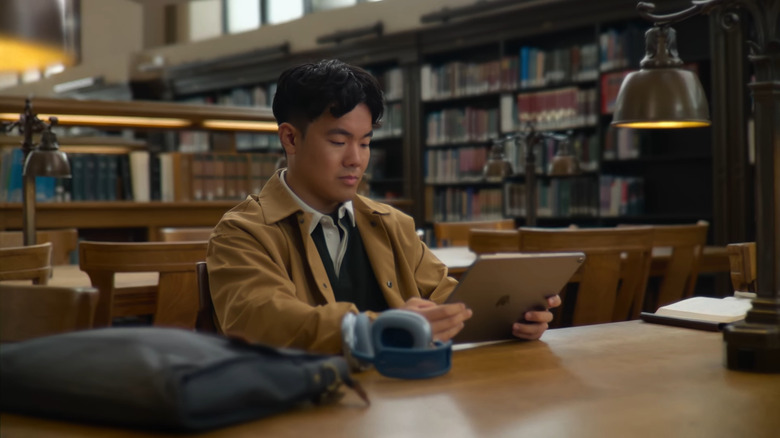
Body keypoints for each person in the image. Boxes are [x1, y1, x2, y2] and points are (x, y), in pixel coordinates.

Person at [206, 59, 560, 355]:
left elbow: (445, 296)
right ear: (290, 138)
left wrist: (505, 317)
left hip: (403, 406)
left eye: (365, 143)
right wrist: (380, 327)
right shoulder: (242, 232)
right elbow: (262, 321)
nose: (355, 160)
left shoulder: (392, 223)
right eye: (338, 141)